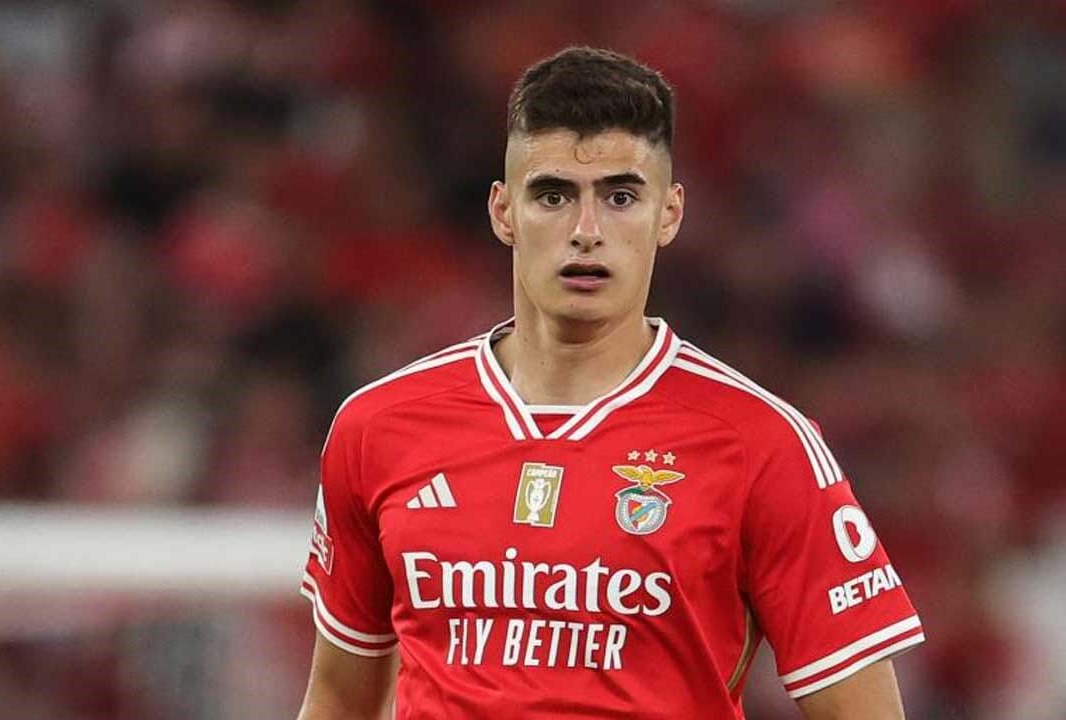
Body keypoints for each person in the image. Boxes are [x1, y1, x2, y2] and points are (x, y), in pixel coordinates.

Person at [297, 46, 923, 719]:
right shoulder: (378, 427)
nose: (586, 232)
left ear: (669, 214)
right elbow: (338, 698)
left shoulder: (762, 445)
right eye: (553, 195)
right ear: (503, 212)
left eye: (620, 197)